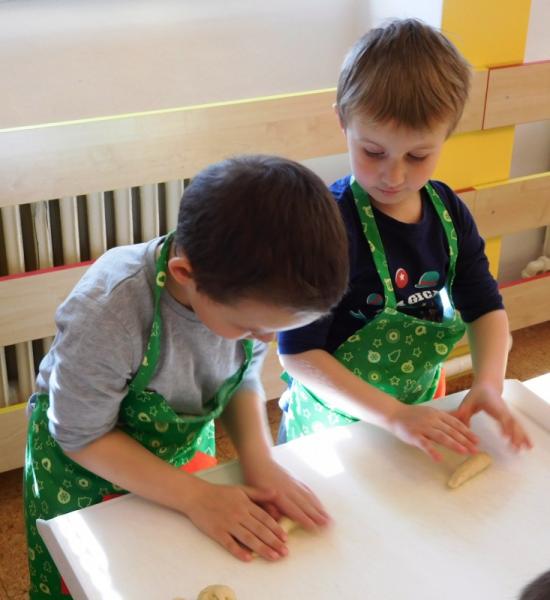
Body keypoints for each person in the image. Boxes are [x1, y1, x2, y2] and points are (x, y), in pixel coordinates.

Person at [24, 155, 349, 599]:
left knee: (171, 571)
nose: (265, 340)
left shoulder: (244, 294)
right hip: (84, 465)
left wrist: (259, 461)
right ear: (184, 274)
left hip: (177, 459)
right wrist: (196, 497)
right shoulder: (109, 310)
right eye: (251, 328)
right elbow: (81, 436)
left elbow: (241, 378)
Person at [277, 18, 532, 460]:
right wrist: (393, 415)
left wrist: (489, 383)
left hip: (419, 412)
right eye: (373, 152)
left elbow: (485, 308)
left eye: (418, 155)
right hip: (334, 428)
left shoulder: (449, 213)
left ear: (446, 136)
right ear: (343, 121)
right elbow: (299, 354)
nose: (393, 176)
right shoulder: (326, 226)